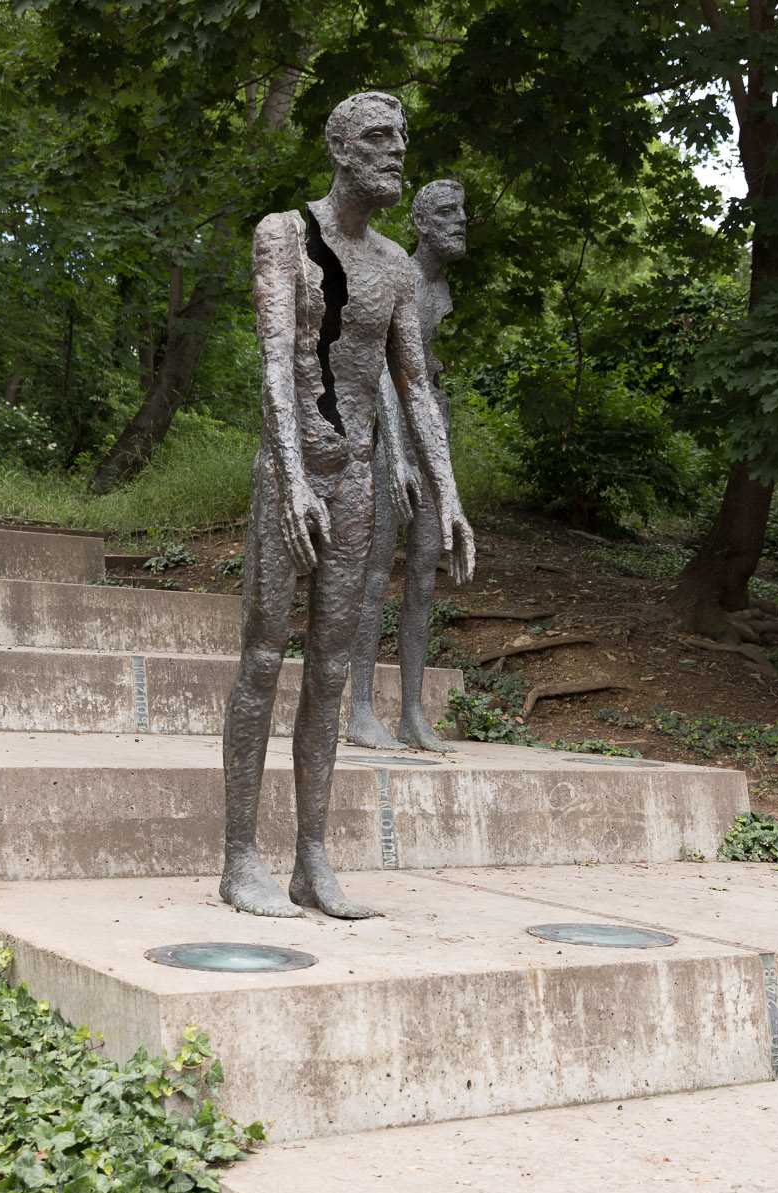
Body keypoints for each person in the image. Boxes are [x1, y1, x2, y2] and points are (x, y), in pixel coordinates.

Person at [221, 92, 474, 920]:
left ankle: (313, 859)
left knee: (331, 670)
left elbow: (415, 387)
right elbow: (274, 364)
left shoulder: (397, 266)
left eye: (404, 135)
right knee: (263, 655)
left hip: (358, 479)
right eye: (379, 136)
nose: (397, 150)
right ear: (339, 149)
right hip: (294, 471)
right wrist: (292, 477)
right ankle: (238, 857)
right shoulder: (283, 235)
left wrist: (449, 489)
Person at [347, 178, 470, 753]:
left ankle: (413, 714)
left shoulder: (441, 292)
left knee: (424, 574)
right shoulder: (403, 280)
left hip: (429, 434)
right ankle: (362, 708)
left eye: (462, 211)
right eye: (447, 213)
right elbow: (379, 370)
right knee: (374, 572)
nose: (461, 221)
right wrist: (395, 453)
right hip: (386, 441)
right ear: (421, 224)